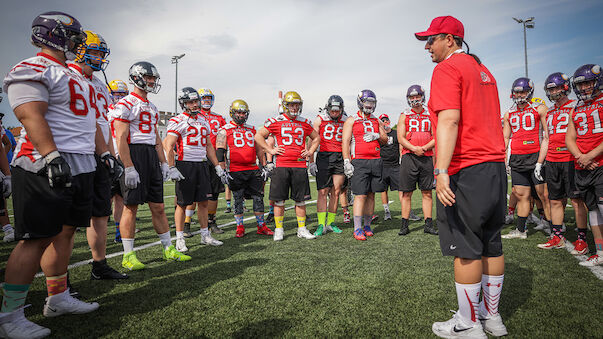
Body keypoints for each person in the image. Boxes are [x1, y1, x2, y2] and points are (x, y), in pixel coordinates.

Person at [0, 12, 102, 338]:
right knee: (35, 238)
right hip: (43, 161)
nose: (77, 44)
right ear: (55, 36)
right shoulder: (34, 67)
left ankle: (57, 297)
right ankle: (9, 314)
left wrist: (106, 156)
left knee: (65, 232)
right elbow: (29, 113)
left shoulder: (74, 75)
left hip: (81, 161)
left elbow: (90, 123)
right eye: (73, 37)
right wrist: (51, 155)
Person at [415, 16, 508, 338]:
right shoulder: (484, 71)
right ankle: (491, 318)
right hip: (495, 167)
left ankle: (468, 324)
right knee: (491, 244)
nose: (427, 47)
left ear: (450, 40)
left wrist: (440, 171)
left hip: (467, 167)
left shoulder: (448, 68)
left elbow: (450, 121)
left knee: (466, 247)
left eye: (431, 40)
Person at [110, 61, 191, 271]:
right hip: (133, 152)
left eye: (153, 78)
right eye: (148, 77)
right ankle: (128, 254)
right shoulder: (125, 104)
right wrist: (128, 166)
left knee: (159, 206)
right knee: (131, 207)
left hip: (150, 155)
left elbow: (155, 138)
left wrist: (164, 163)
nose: (152, 82)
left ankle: (167, 248)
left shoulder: (152, 106)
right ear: (137, 77)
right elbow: (121, 137)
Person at [69, 30, 127, 279]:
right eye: (94, 52)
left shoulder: (100, 86)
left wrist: (111, 156)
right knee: (68, 221)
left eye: (102, 53)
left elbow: (104, 125)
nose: (99, 57)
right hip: (75, 151)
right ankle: (61, 279)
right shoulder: (67, 75)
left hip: (100, 155)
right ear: (79, 49)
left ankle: (99, 264)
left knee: (100, 213)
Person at [163, 87, 228, 251]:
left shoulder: (203, 120)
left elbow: (208, 145)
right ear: (183, 104)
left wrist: (217, 166)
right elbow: (169, 145)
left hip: (202, 164)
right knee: (183, 204)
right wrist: (171, 167)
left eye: (195, 101)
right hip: (186, 164)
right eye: (190, 102)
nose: (194, 104)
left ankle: (205, 235)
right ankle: (179, 238)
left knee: (204, 202)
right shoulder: (177, 120)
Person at [254, 91, 320, 241]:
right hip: (281, 165)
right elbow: (258, 136)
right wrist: (270, 150)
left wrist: (310, 151)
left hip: (299, 165)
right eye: (291, 104)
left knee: (301, 200)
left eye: (297, 104)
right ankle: (279, 229)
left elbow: (316, 138)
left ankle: (301, 229)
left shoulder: (304, 122)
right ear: (285, 105)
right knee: (279, 200)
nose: (294, 107)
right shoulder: (275, 121)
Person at [537, 72, 588, 252]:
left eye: (557, 87)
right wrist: (539, 162)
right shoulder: (549, 111)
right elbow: (546, 139)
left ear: (565, 87)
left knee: (576, 201)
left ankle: (582, 238)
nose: (554, 91)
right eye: (551, 88)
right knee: (555, 200)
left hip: (570, 160)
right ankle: (557, 236)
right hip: (552, 160)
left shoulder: (576, 105)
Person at [501, 78, 551, 239]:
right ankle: (521, 230)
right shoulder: (509, 113)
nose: (519, 95)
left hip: (536, 156)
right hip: (517, 158)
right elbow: (506, 138)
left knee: (543, 195)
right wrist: (504, 159)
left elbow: (546, 137)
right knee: (521, 194)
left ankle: (554, 228)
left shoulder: (540, 108)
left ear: (530, 92)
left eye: (522, 91)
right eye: (517, 92)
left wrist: (540, 161)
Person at [216, 99, 273, 237]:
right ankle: (240, 227)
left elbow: (259, 150)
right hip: (235, 170)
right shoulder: (224, 130)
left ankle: (261, 226)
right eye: (239, 112)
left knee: (258, 198)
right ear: (232, 112)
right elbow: (220, 151)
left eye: (243, 113)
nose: (241, 115)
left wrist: (264, 165)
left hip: (253, 169)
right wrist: (222, 169)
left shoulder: (252, 129)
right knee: (238, 199)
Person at [566, 64, 603, 267]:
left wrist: (590, 155)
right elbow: (569, 138)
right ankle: (600, 251)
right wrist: (581, 156)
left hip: (600, 163)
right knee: (594, 211)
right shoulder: (576, 107)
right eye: (580, 85)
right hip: (584, 166)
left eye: (588, 83)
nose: (584, 88)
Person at [341, 89, 387, 241]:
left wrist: (378, 135)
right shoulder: (351, 120)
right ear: (360, 103)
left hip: (375, 160)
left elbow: (385, 139)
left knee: (372, 195)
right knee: (360, 196)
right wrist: (347, 161)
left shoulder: (376, 120)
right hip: (359, 161)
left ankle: (367, 225)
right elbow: (345, 142)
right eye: (367, 102)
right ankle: (357, 228)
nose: (370, 105)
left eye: (372, 102)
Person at [397, 85, 437, 236]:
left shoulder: (430, 113)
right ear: (408, 99)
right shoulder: (404, 115)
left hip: (426, 157)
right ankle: (404, 225)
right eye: (412, 97)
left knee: (427, 192)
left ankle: (428, 224)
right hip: (409, 157)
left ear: (422, 96)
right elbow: (400, 138)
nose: (415, 100)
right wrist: (415, 148)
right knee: (406, 193)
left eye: (417, 96)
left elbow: (436, 135)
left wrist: (425, 147)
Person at [311, 95, 347, 236]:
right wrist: (311, 161)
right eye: (332, 110)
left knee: (336, 191)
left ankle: (331, 222)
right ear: (328, 108)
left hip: (339, 157)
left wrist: (348, 159)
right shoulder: (320, 119)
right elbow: (312, 140)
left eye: (337, 111)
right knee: (322, 191)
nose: (335, 113)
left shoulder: (346, 120)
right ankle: (321, 224)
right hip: (324, 157)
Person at [198, 88, 227, 234]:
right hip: (197, 155)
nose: (207, 101)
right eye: (204, 98)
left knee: (214, 192)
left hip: (215, 155)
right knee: (195, 191)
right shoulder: (194, 116)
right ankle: (187, 223)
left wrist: (222, 159)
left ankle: (211, 221)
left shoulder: (220, 118)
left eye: (209, 98)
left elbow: (224, 139)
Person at [107, 79, 129, 243]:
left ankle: (118, 231)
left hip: (121, 158)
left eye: (123, 94)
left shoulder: (127, 110)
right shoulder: (103, 109)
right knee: (103, 198)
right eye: (117, 94)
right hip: (106, 156)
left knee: (120, 198)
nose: (120, 97)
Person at [378, 114, 400, 222]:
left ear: (389, 121)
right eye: (382, 121)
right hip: (383, 166)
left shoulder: (396, 133)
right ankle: (387, 211)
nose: (384, 122)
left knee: (402, 189)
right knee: (383, 190)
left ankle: (407, 211)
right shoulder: (378, 135)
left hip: (395, 165)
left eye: (386, 120)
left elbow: (400, 146)